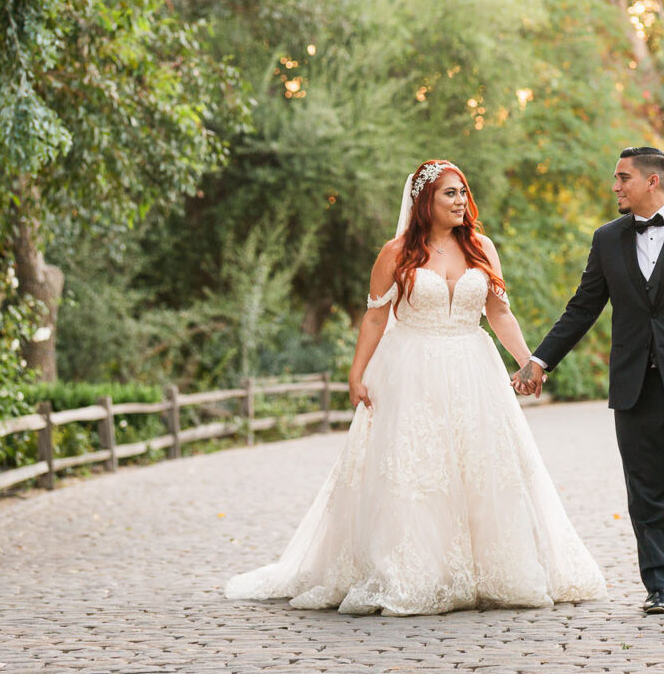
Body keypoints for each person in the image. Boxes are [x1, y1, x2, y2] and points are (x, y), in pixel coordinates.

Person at [225, 160, 606, 615]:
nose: (461, 200)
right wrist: (356, 374)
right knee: (416, 471)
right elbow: (374, 316)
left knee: (481, 470)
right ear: (425, 201)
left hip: (473, 370)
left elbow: (499, 313)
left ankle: (493, 570)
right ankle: (412, 572)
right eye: (450, 194)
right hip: (411, 371)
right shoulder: (397, 252)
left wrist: (529, 363)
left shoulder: (482, 247)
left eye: (463, 191)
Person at [512, 147, 664, 615]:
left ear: (652, 182)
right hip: (635, 383)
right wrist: (539, 361)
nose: (615, 186)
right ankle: (658, 583)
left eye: (623, 178)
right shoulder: (607, 240)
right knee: (646, 487)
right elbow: (583, 308)